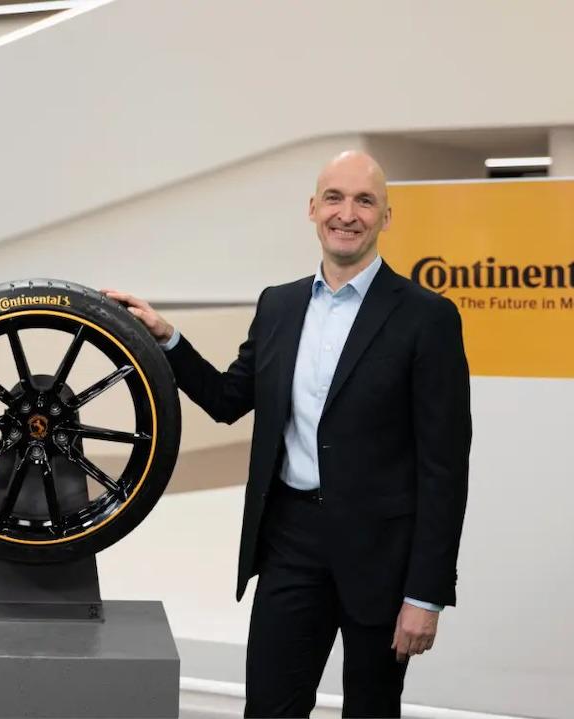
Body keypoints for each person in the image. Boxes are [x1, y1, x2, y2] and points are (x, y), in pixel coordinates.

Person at [105, 151, 470, 718]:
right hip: (290, 541)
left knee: (372, 710)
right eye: (334, 198)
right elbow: (227, 400)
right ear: (312, 208)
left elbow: (444, 468)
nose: (347, 214)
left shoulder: (428, 318)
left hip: (382, 556)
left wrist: (426, 593)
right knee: (270, 708)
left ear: (386, 216)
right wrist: (167, 337)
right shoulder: (279, 304)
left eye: (365, 201)